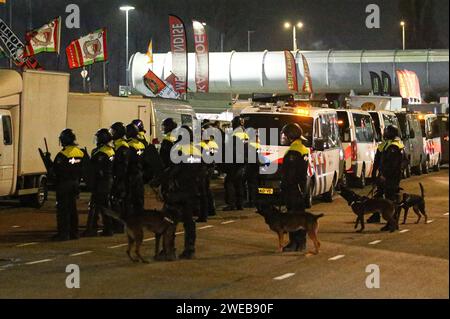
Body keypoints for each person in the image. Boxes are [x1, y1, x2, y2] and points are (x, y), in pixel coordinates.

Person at [164, 125, 202, 259]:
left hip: (178, 190)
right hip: (192, 190)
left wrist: (161, 180)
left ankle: (169, 250)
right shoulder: (197, 150)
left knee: (169, 220)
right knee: (189, 221)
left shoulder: (178, 149)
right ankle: (189, 249)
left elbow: (174, 169)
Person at [49, 129, 88, 241]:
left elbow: (56, 171)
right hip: (75, 183)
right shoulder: (80, 152)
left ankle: (63, 234)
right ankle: (74, 233)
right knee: (72, 209)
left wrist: (48, 162)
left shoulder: (62, 155)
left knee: (63, 210)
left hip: (64, 184)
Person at [279, 123, 310, 252]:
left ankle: (294, 243)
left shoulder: (293, 151)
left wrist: (284, 187)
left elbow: (290, 174)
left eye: (284, 135)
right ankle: (301, 243)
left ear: (290, 136)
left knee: (292, 217)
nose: (283, 137)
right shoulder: (302, 148)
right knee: (300, 217)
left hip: (293, 189)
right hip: (301, 188)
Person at [368, 125, 406, 225]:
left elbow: (392, 164)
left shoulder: (394, 146)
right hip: (384, 175)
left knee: (390, 198)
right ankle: (376, 215)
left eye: (387, 131)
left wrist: (385, 175)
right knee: (378, 195)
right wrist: (374, 173)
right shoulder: (386, 144)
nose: (385, 133)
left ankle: (392, 220)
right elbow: (378, 160)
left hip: (391, 176)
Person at [83, 129, 115, 237]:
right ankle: (108, 228)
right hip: (108, 180)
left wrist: (87, 159)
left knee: (94, 205)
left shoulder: (101, 153)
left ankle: (91, 229)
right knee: (105, 206)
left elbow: (94, 168)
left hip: (102, 182)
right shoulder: (110, 150)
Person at [223, 116, 248, 211]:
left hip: (236, 161)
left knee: (229, 182)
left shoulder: (236, 133)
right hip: (243, 161)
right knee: (239, 183)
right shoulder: (243, 132)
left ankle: (231, 204)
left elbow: (233, 148)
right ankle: (240, 204)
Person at [110, 122, 130, 232]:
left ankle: (118, 226)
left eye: (113, 131)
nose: (111, 133)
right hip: (118, 177)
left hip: (120, 178)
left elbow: (122, 166)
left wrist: (118, 180)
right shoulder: (117, 144)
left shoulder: (122, 146)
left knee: (117, 201)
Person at [126, 123, 146, 216]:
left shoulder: (129, 144)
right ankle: (140, 215)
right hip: (140, 172)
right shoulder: (141, 144)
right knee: (139, 197)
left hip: (131, 174)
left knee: (129, 197)